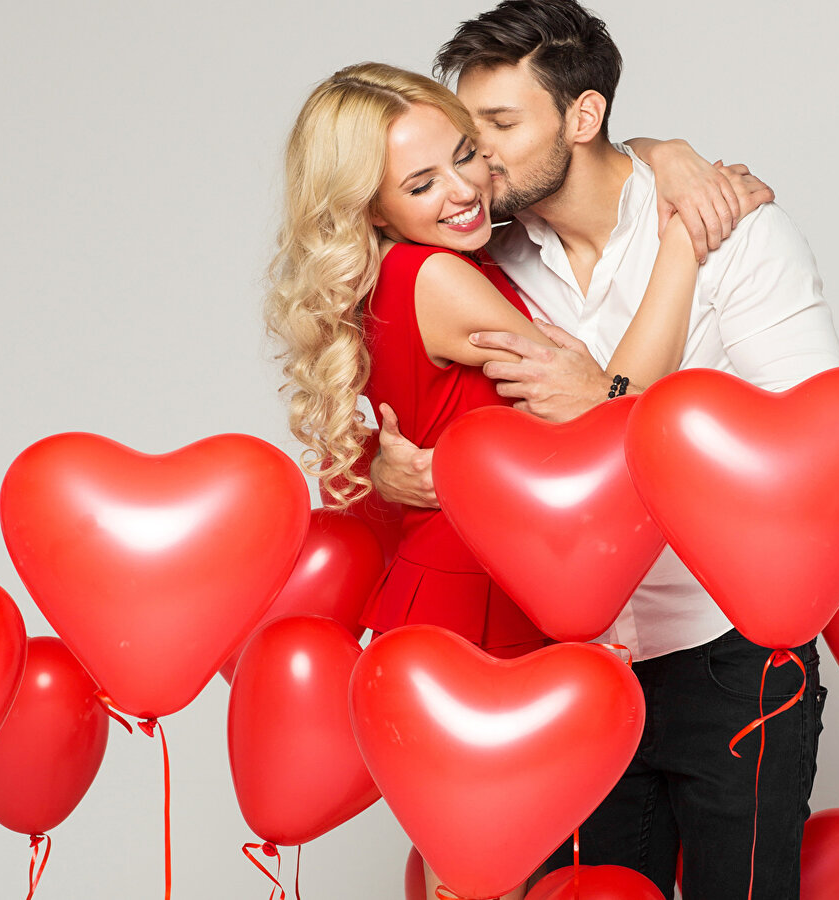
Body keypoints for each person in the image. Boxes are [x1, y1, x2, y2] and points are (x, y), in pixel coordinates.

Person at [369, 2, 839, 898]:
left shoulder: (733, 235)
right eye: (470, 133)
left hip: (727, 650)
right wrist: (388, 469)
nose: (477, 161)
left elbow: (816, 459)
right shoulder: (484, 257)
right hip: (566, 665)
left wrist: (615, 410)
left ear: (583, 116)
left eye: (500, 127)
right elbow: (403, 375)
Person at [263, 61, 770, 900]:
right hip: (475, 604)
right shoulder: (438, 279)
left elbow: (581, 153)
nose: (465, 189)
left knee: (482, 863)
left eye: (466, 154)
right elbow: (608, 408)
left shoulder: (413, 268)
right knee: (485, 869)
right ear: (370, 207)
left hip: (466, 588)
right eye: (422, 183)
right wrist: (681, 243)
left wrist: (663, 152)